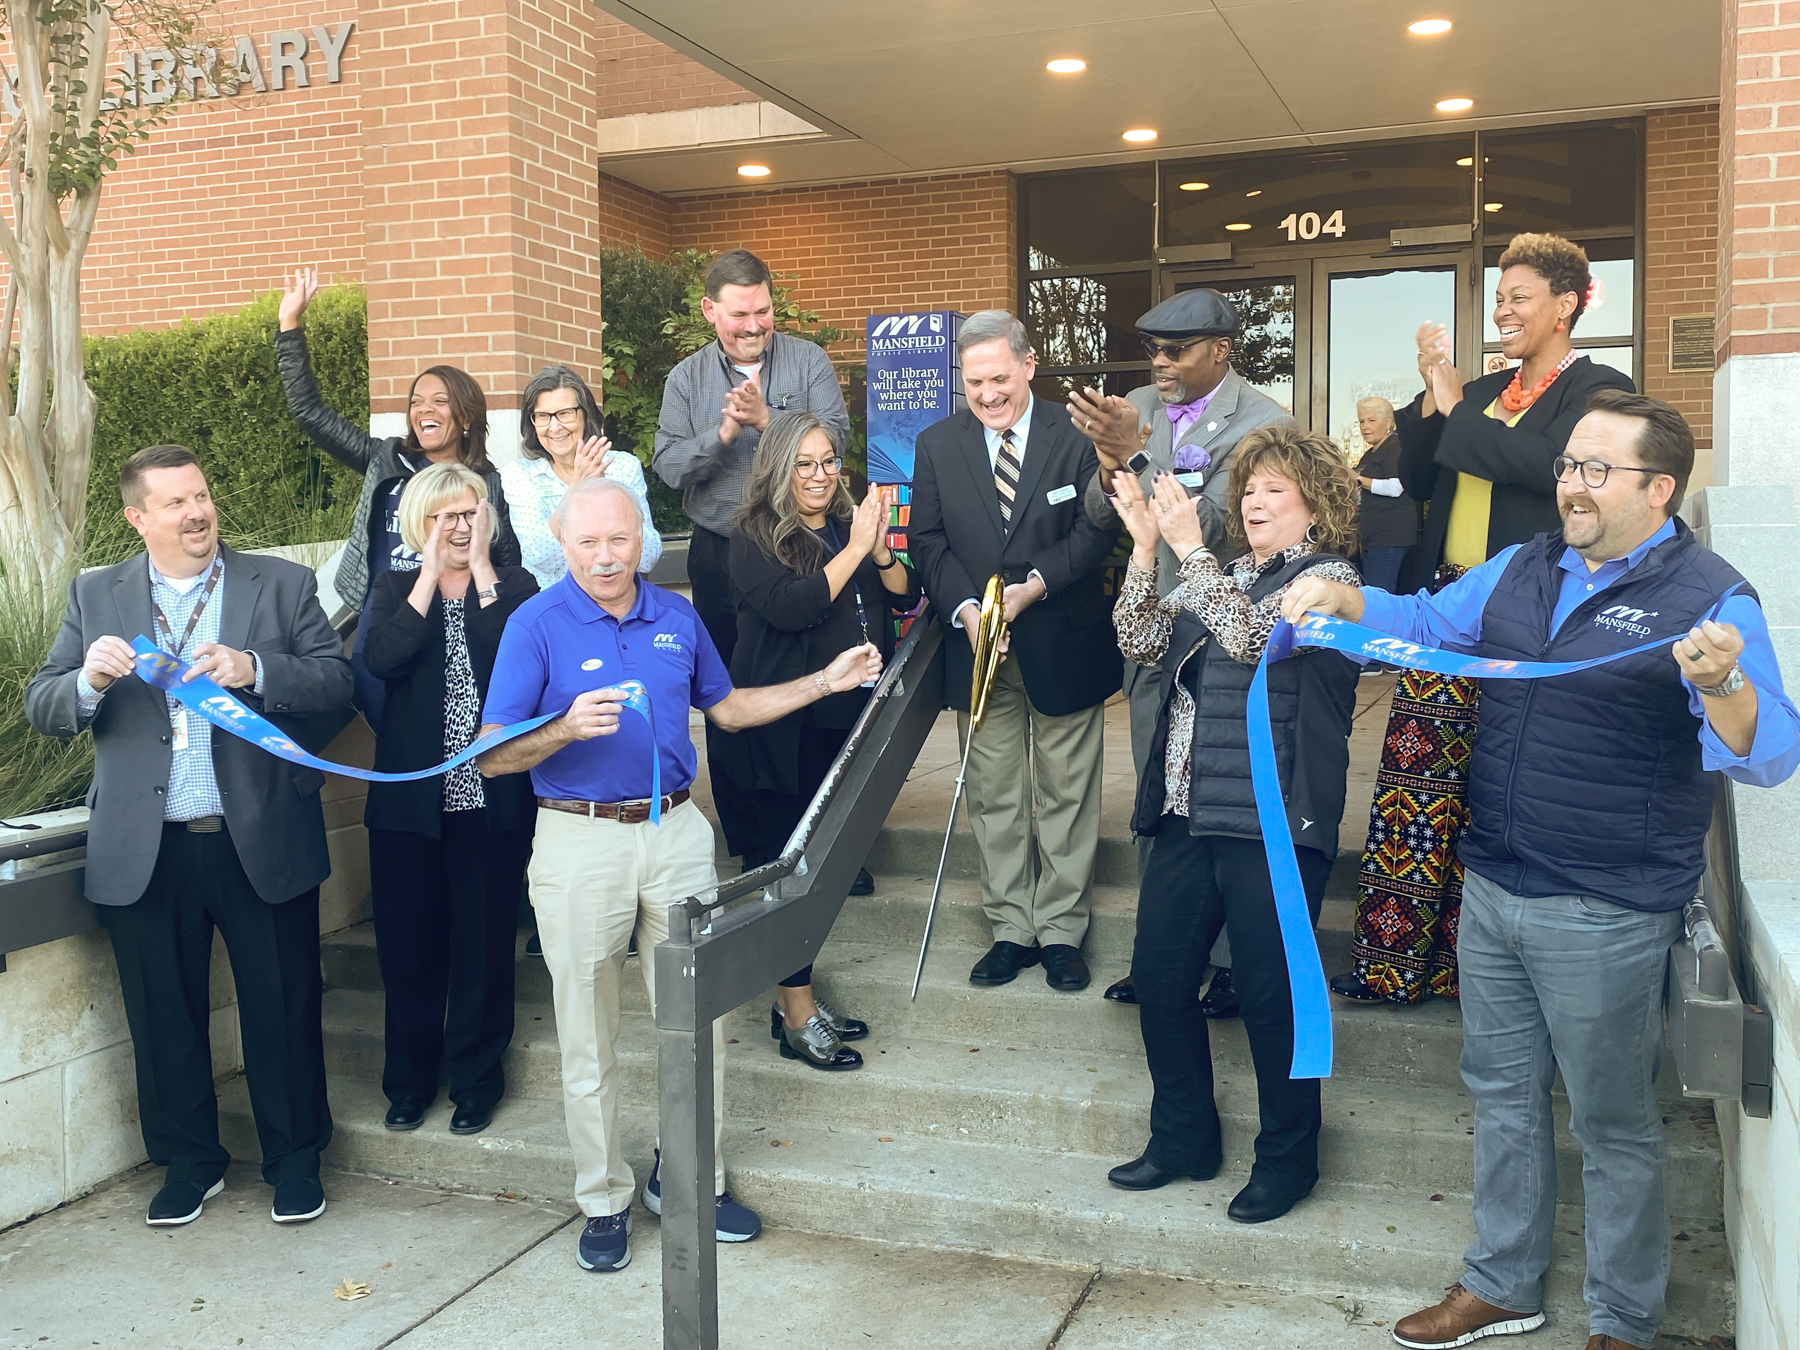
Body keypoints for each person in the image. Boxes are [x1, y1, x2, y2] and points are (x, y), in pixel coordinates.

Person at [1279, 391, 1800, 1350]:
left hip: (1606, 905)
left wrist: (1722, 680)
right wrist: (1343, 596)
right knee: (1501, 1095)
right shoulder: (1526, 564)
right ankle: (1503, 1282)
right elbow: (1428, 620)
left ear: (1660, 487)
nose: (1572, 485)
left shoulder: (1712, 597)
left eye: (1597, 470)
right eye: (1568, 466)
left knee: (1611, 1122)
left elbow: (1766, 755)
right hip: (1497, 884)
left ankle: (1625, 1320)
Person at [475, 476, 882, 1274]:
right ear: (563, 543)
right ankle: (602, 1197)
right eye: (588, 542)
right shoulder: (536, 623)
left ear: (643, 542)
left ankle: (692, 1178)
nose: (604, 556)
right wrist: (560, 730)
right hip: (577, 837)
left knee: (699, 1021)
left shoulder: (676, 615)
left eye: (619, 540)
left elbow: (726, 709)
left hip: (676, 833)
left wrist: (823, 683)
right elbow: (490, 756)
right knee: (588, 1030)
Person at [26, 444, 354, 1228]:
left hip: (260, 838)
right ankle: (189, 1162)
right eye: (174, 503)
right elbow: (44, 705)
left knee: (281, 1009)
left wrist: (255, 668)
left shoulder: (280, 583)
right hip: (147, 848)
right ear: (139, 517)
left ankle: (295, 1159)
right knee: (162, 1015)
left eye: (200, 496)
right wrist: (88, 682)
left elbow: (337, 681)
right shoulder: (94, 594)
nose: (196, 512)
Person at [1330, 233, 1634, 1007]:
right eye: (1497, 298)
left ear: (1566, 305)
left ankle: (1473, 972)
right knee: (1416, 776)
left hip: (1529, 611)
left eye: (1519, 296)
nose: (1502, 310)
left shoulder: (1598, 390)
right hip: (1446, 604)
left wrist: (1455, 400)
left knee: (1493, 787)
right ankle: (1393, 965)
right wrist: (1437, 392)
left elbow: (1552, 469)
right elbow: (1414, 464)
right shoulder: (1491, 392)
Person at [1105, 426, 1361, 1225]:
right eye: (1247, 488)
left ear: (1314, 505)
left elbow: (1257, 640)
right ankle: (1183, 1138)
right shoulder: (1229, 571)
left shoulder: (1330, 581)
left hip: (1274, 821)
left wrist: (1192, 551)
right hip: (1189, 810)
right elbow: (1140, 640)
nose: (1253, 500)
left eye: (1273, 489)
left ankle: (1288, 1161)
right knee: (1161, 976)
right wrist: (1148, 549)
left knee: (1269, 992)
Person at [1072, 288, 1295, 1011]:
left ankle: (1231, 962)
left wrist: (1135, 454)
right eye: (1152, 348)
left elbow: (1223, 529)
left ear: (1221, 350)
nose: (1159, 363)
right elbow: (1094, 509)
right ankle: (1160, 955)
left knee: (1225, 805)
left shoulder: (1266, 424)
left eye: (1175, 349)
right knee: (1155, 803)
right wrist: (1111, 459)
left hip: (1228, 637)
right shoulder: (1135, 402)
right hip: (1155, 636)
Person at [909, 310, 1121, 993]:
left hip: (1062, 638)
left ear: (1029, 366)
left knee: (1066, 794)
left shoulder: (1075, 435)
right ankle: (1009, 929)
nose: (989, 393)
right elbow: (928, 543)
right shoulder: (937, 443)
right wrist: (969, 612)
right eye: (975, 382)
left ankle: (1060, 930)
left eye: (1000, 377)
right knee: (995, 795)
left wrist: (1036, 586)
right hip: (980, 651)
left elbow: (1098, 530)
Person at [729, 412, 921, 1070]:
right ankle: (796, 1012)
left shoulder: (849, 527)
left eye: (828, 461)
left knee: (822, 866)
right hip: (787, 725)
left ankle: (794, 998)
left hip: (849, 719)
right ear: (781, 469)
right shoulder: (751, 536)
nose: (819, 475)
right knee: (789, 870)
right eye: (804, 463)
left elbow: (903, 597)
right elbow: (793, 606)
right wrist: (853, 549)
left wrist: (882, 548)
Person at [652, 249, 851, 870]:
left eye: (763, 311)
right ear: (711, 310)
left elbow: (837, 440)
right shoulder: (685, 380)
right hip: (721, 554)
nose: (754, 325)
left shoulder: (807, 360)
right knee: (730, 688)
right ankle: (750, 838)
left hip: (804, 544)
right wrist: (725, 434)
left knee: (821, 688)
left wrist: (770, 420)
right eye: (741, 314)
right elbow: (668, 467)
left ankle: (830, 834)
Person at [360, 464, 539, 1136]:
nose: (459, 527)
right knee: (409, 950)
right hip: (409, 809)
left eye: (470, 513)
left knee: (484, 948)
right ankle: (408, 1084)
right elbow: (381, 659)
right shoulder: (396, 587)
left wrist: (484, 573)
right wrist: (431, 578)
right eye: (445, 517)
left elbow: (513, 664)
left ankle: (475, 1082)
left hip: (490, 805)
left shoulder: (516, 588)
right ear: (420, 524)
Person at [276, 266, 522, 728]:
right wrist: (291, 327)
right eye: (416, 401)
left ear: (466, 416)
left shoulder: (485, 483)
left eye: (439, 401)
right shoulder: (384, 460)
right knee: (380, 709)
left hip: (456, 604)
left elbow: (507, 556)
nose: (424, 410)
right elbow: (308, 412)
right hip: (386, 606)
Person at [501, 364, 662, 588]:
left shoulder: (623, 466)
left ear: (585, 414)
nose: (554, 427)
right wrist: (577, 487)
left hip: (618, 603)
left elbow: (648, 557)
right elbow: (539, 558)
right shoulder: (520, 475)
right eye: (543, 416)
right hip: (555, 609)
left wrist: (605, 490)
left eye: (565, 414)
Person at [1353, 396, 1417, 595]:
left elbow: (1396, 487)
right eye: (1362, 421)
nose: (1365, 427)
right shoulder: (1371, 452)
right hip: (1373, 538)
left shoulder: (1393, 447)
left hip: (1389, 538)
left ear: (1388, 422)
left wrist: (1358, 479)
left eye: (1371, 420)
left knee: (1377, 598)